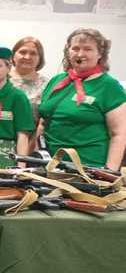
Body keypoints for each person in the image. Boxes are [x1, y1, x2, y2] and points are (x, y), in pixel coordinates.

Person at [38, 28, 126, 169]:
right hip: (50, 165)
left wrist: (110, 172)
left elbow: (119, 134)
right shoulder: (57, 80)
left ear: (100, 54)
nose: (80, 54)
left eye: (88, 49)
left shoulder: (109, 86)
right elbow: (43, 122)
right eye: (75, 48)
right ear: (68, 51)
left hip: (89, 167)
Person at [9, 36, 49, 135]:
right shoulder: (1, 79)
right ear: (13, 55)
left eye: (33, 53)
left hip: (33, 138)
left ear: (40, 59)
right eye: (22, 52)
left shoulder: (47, 84)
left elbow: (46, 119)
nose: (27, 57)